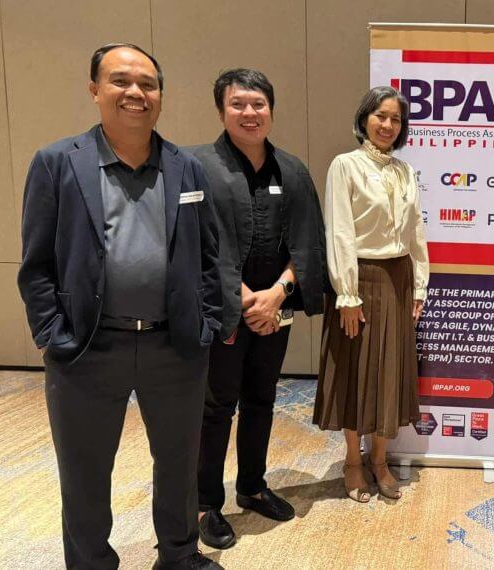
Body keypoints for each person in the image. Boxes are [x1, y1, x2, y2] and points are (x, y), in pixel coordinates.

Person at [17, 43, 222, 569]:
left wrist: (209, 324)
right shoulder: (58, 162)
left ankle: (178, 557)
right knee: (85, 471)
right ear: (94, 90)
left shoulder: (186, 168)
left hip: (173, 345)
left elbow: (210, 255)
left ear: (161, 96)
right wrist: (52, 334)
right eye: (120, 81)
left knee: (179, 465)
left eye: (148, 84)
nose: (136, 92)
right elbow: (36, 263)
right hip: (88, 346)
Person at [190, 69, 326, 549]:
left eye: (259, 104)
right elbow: (195, 241)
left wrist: (278, 294)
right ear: (221, 110)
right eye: (238, 104)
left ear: (271, 108)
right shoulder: (197, 165)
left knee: (262, 399)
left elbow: (310, 241)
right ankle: (205, 501)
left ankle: (251, 486)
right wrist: (244, 295)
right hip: (223, 310)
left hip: (277, 308)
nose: (250, 113)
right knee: (215, 406)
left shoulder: (292, 169)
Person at [313, 86, 428, 502]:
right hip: (359, 280)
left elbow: (416, 230)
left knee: (391, 371)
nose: (387, 125)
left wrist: (419, 284)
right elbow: (340, 231)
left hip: (398, 277)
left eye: (396, 119)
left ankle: (380, 459)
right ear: (364, 118)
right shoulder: (345, 165)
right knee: (355, 370)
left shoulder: (405, 170)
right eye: (381, 115)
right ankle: (352, 460)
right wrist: (346, 294)